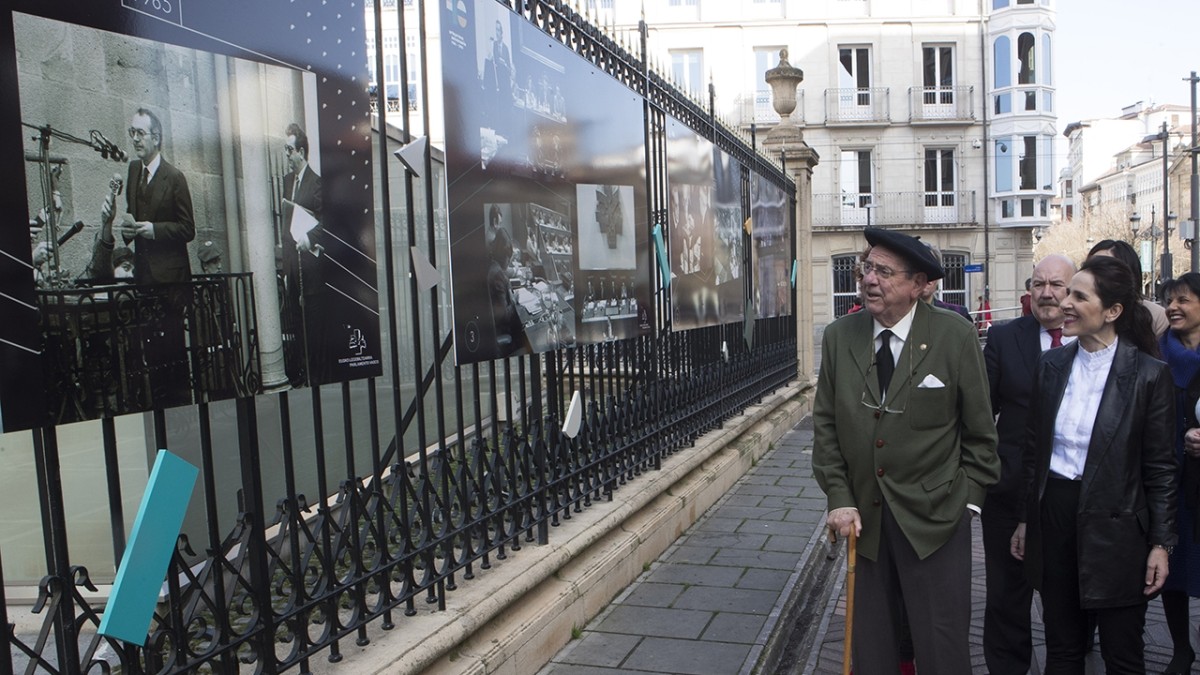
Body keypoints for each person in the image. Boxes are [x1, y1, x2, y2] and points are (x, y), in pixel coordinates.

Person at [813, 227, 1000, 674]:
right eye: (867, 268)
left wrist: (967, 504)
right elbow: (826, 426)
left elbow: (980, 434)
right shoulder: (840, 336)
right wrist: (839, 497)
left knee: (942, 647)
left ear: (918, 284)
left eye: (884, 271)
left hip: (937, 520)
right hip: (866, 520)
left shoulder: (954, 335)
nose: (869, 279)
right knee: (873, 648)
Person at [1011, 255, 1177, 674]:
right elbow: (1034, 451)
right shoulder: (1050, 366)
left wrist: (1161, 544)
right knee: (1062, 647)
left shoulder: (1149, 375)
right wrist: (1027, 519)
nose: (1065, 303)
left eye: (1079, 297)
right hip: (1055, 516)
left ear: (1112, 311)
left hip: (1117, 527)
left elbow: (1161, 468)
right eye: (1068, 293)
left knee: (1122, 652)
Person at [982, 254, 1076, 675]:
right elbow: (981, 413)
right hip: (1009, 491)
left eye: (1056, 284)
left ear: (1074, 290)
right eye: (1038, 284)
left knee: (1065, 598)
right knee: (1006, 599)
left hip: (1067, 494)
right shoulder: (1004, 338)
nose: (1046, 293)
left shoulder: (1092, 339)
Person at [1157, 272, 1200, 674]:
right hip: (1170, 482)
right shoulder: (1156, 356)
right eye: (1170, 300)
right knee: (1174, 568)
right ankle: (1180, 650)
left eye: (1183, 300)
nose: (1173, 307)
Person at [113, 107, 195, 285]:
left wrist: (155, 230)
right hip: (142, 277)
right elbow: (134, 213)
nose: (135, 139)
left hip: (172, 281)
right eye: (132, 132)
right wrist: (128, 231)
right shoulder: (134, 170)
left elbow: (188, 229)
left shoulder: (174, 177)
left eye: (141, 133)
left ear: (156, 138)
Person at [280, 122, 326, 386]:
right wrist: (285, 269)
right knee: (296, 327)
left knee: (313, 329)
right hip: (293, 268)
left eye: (289, 150)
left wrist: (309, 238)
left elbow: (326, 222)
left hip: (311, 270)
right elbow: (286, 228)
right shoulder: (287, 182)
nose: (286, 155)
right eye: (285, 150)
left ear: (301, 152)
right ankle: (302, 377)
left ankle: (315, 378)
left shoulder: (317, 183)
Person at [1088, 239, 1168, 337]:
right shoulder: (1078, 308)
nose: (1093, 274)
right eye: (1089, 266)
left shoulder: (1155, 316)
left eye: (1104, 268)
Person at [919, 243, 971, 321]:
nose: (926, 277)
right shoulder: (899, 317)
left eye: (931, 269)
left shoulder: (959, 315)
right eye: (919, 269)